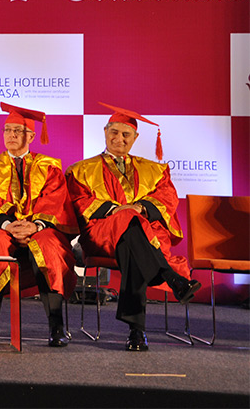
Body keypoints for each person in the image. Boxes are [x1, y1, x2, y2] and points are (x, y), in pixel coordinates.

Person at [65, 102, 200, 351]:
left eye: (126, 134)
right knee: (129, 221)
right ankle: (169, 276)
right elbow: (78, 201)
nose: (119, 139)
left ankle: (136, 332)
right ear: (105, 132)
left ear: (135, 137)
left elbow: (167, 198)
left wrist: (140, 208)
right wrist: (115, 210)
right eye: (114, 132)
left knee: (132, 240)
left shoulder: (155, 170)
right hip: (102, 234)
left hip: (143, 237)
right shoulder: (81, 170)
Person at [0, 103, 78, 347]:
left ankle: (56, 324)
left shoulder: (49, 166)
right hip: (2, 228)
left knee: (49, 245)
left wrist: (36, 226)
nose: (11, 135)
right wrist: (8, 225)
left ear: (31, 136)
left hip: (38, 228)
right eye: (7, 130)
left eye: (17, 131)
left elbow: (55, 201)